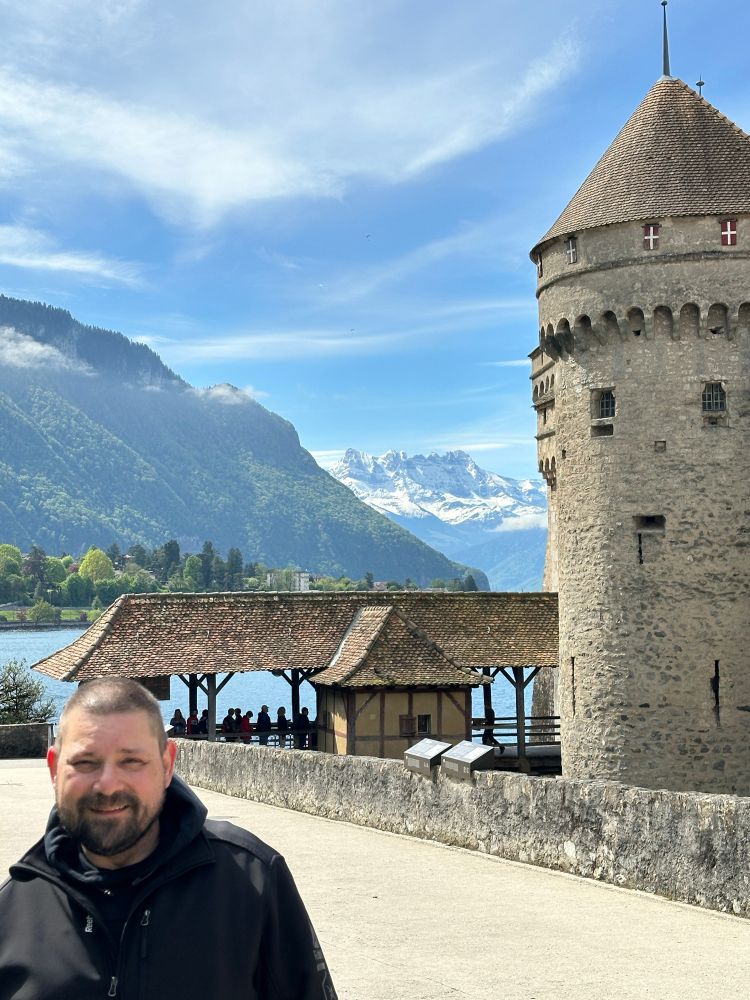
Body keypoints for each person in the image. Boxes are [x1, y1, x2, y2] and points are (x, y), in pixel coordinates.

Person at [0, 677, 337, 999]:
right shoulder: (12, 911)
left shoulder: (251, 881)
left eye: (131, 761)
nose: (108, 784)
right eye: (85, 762)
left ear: (167, 765)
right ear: (54, 769)